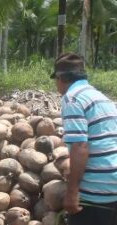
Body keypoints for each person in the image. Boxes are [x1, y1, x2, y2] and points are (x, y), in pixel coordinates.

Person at [51, 53, 117, 225]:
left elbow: (80, 146)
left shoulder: (72, 98)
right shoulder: (101, 98)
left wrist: (72, 192)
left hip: (96, 192)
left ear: (60, 78)